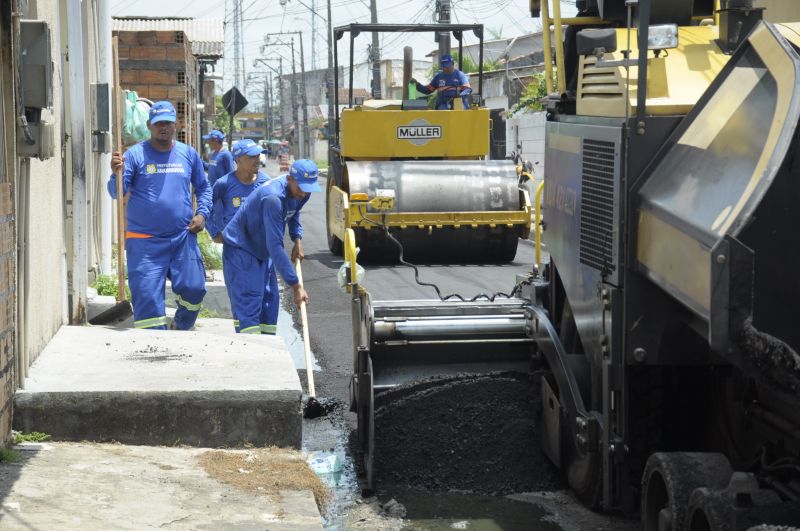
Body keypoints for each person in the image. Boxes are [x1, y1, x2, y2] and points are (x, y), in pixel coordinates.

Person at [108, 100, 211, 331]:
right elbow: (117, 193)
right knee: (147, 302)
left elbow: (204, 187)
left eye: (168, 123)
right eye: (158, 124)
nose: (163, 127)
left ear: (176, 124)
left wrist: (202, 214)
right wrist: (116, 173)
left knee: (194, 289)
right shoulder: (134, 155)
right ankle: (153, 352)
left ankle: (181, 325)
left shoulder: (188, 154)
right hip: (145, 241)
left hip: (182, 237)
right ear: (149, 125)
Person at [221, 159, 320, 335]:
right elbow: (275, 246)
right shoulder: (273, 198)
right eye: (301, 187)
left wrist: (297, 238)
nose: (304, 193)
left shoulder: (303, 192)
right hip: (242, 249)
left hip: (262, 250)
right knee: (249, 305)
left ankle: (267, 353)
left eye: (309, 187)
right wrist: (296, 286)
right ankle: (251, 356)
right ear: (289, 178)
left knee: (269, 306)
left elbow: (294, 213)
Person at [206, 139, 271, 245]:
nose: (257, 160)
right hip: (233, 249)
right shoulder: (223, 184)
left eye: (258, 156)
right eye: (252, 157)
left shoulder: (267, 183)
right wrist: (215, 234)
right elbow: (207, 208)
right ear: (238, 160)